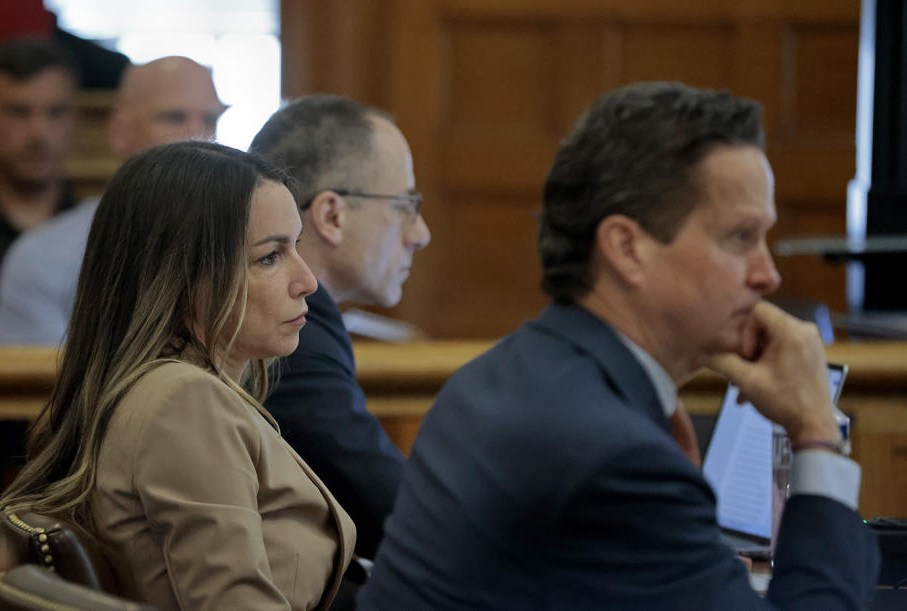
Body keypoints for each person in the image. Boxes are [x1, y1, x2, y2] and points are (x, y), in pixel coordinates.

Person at [357, 82, 879, 610]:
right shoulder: (614, 457)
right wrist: (816, 432)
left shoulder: (501, 377)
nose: (768, 275)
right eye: (740, 239)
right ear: (628, 249)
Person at [0, 141, 356, 610]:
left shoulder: (162, 388)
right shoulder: (184, 401)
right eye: (270, 257)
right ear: (182, 279)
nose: (307, 281)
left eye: (296, 247)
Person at [249, 96, 431, 560]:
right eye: (406, 204)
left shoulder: (301, 324)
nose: (420, 232)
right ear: (331, 216)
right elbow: (394, 512)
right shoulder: (289, 334)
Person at [0, 55, 226, 345]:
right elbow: (37, 386)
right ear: (120, 131)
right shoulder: (42, 259)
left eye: (210, 119)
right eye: (173, 117)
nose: (198, 136)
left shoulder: (245, 245)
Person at [0, 35, 78, 322]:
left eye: (55, 112)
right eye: (19, 112)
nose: (39, 133)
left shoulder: (102, 233)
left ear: (73, 119)